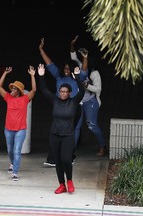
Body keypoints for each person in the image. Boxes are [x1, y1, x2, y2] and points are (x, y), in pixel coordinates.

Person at [39, 37, 88, 167]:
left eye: (68, 69)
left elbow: (83, 70)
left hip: (74, 106)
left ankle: (69, 155)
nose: (66, 71)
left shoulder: (77, 77)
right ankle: (55, 158)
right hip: (59, 106)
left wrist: (85, 57)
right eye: (65, 69)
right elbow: (49, 64)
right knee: (56, 130)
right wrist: (41, 50)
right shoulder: (59, 75)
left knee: (72, 131)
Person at [37, 63, 85, 194]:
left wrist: (78, 77)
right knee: (58, 161)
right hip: (54, 135)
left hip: (68, 135)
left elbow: (83, 91)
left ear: (69, 93)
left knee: (66, 159)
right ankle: (61, 184)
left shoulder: (73, 102)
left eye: (65, 92)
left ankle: (69, 180)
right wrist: (41, 76)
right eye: (61, 91)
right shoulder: (55, 101)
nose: (63, 93)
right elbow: (45, 90)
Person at [0, 66, 36, 181]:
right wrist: (5, 73)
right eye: (12, 88)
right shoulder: (8, 98)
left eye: (14, 89)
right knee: (10, 150)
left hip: (20, 129)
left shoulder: (24, 99)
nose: (11, 90)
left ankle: (15, 172)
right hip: (8, 129)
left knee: (16, 150)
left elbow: (34, 90)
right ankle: (13, 163)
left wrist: (32, 75)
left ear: (19, 91)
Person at [70, 42, 106, 156]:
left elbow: (98, 90)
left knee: (92, 125)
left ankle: (102, 146)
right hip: (79, 102)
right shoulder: (81, 66)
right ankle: (71, 151)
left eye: (86, 58)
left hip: (91, 101)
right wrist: (72, 45)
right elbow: (73, 57)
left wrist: (87, 86)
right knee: (76, 126)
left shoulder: (95, 73)